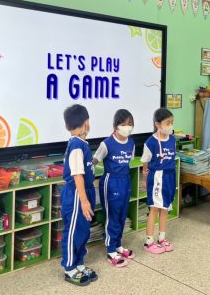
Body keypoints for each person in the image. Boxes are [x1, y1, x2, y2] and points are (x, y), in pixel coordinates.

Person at [93, 109, 135, 268]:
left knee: (122, 215)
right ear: (116, 126)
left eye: (130, 124)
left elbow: (129, 161)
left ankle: (118, 245)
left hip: (125, 181)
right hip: (111, 182)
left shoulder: (131, 142)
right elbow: (95, 160)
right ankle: (110, 250)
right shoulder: (107, 144)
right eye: (124, 124)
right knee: (112, 216)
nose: (127, 127)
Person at [61, 104, 97, 286]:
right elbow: (77, 175)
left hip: (85, 191)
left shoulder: (81, 143)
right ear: (86, 122)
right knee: (73, 230)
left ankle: (79, 263)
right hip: (77, 194)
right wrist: (84, 201)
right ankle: (69, 268)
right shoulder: (76, 145)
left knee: (83, 229)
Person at [141, 107, 176, 253]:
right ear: (157, 124)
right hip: (157, 177)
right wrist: (145, 179)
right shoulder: (151, 142)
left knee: (165, 208)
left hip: (170, 176)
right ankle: (149, 241)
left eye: (172, 122)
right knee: (154, 208)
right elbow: (145, 163)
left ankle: (162, 238)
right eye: (167, 123)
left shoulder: (172, 139)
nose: (170, 125)